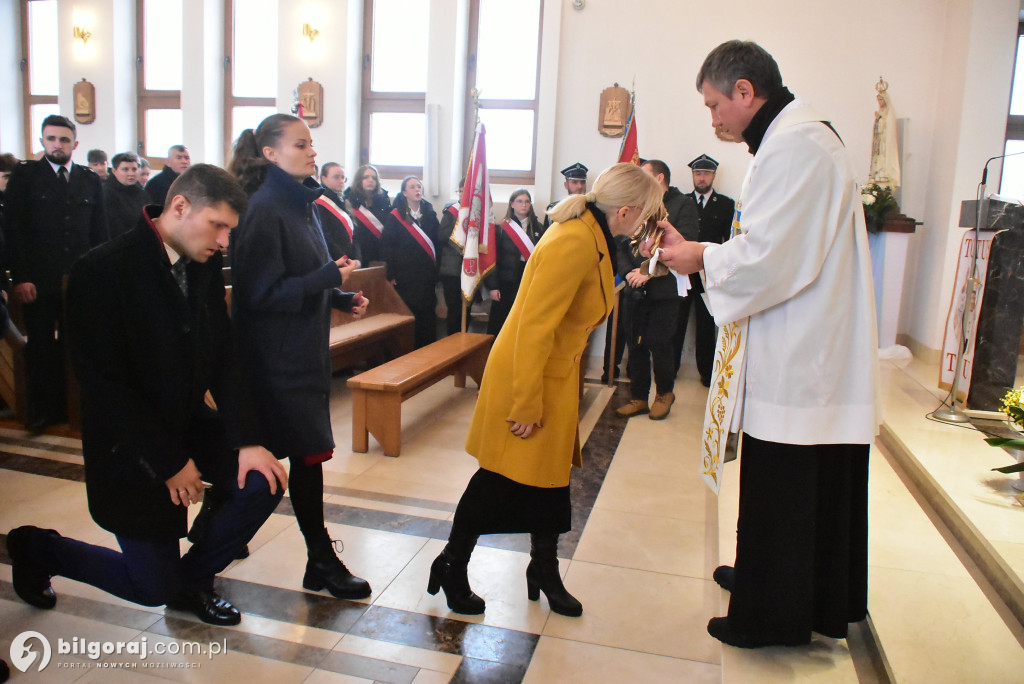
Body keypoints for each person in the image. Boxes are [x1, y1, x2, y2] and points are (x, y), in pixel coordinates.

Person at [656, 40, 879, 648]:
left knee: (785, 481)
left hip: (802, 352)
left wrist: (699, 257)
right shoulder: (790, 138)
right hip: (798, 340)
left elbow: (768, 258)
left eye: (714, 104)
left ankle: (772, 614)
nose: (713, 118)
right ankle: (766, 579)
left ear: (746, 92)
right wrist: (702, 253)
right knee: (775, 480)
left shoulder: (798, 145)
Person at [5, 164, 287, 626]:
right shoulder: (100, 271)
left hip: (188, 423)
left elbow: (222, 355)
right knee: (149, 587)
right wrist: (169, 462)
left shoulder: (203, 261)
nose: (223, 242)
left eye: (229, 231)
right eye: (218, 225)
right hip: (131, 445)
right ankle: (37, 547)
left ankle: (192, 582)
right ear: (180, 207)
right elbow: (103, 387)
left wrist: (247, 439)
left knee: (262, 479)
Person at [427, 163, 664, 617]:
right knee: (498, 478)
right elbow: (534, 328)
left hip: (551, 373)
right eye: (647, 215)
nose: (646, 224)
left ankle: (544, 568)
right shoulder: (574, 241)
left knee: (551, 480)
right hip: (528, 374)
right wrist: (526, 402)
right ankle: (451, 564)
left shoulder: (592, 235)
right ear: (627, 211)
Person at [228, 113, 372, 600]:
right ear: (269, 153)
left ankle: (306, 559)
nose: (312, 152)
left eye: (311, 143)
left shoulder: (301, 201)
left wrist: (339, 297)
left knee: (303, 461)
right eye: (300, 144)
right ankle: (319, 561)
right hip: (276, 362)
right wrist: (327, 280)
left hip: (303, 354)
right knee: (292, 462)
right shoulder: (265, 208)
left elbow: (304, 275)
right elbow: (260, 295)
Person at [3, 115, 108, 432]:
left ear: (74, 144)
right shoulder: (26, 177)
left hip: (77, 279)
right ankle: (44, 409)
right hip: (38, 279)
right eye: (51, 139)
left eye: (64, 140)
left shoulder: (88, 180)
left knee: (78, 344)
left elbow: (98, 233)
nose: (57, 145)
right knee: (41, 346)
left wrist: (97, 277)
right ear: (42, 142)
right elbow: (14, 230)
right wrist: (20, 276)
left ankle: (75, 408)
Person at [614, 161, 688, 420]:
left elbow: (685, 244)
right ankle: (638, 397)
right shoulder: (634, 204)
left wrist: (648, 271)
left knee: (660, 344)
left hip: (664, 290)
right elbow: (621, 243)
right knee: (635, 344)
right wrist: (629, 274)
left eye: (643, 176)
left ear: (659, 177)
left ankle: (664, 394)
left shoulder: (681, 204)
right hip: (634, 289)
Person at [685, 154, 735, 386]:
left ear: (713, 176)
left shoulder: (725, 204)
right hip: (684, 270)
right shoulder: (683, 202)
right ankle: (671, 369)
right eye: (697, 173)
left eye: (705, 173)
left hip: (709, 271)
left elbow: (728, 240)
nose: (701, 178)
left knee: (707, 325)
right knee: (678, 321)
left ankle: (707, 372)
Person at [383, 176, 440, 348]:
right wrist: (390, 273)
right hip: (405, 275)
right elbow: (387, 246)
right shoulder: (395, 217)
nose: (417, 190)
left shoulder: (430, 214)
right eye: (413, 187)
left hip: (426, 274)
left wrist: (436, 271)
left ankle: (428, 349)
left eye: (419, 186)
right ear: (404, 192)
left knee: (428, 312)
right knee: (409, 312)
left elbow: (437, 244)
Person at [484, 189, 545, 335]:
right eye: (519, 201)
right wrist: (493, 287)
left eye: (527, 201)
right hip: (506, 282)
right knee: (501, 321)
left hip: (528, 280)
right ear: (512, 204)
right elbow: (493, 259)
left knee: (524, 321)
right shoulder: (501, 228)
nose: (523, 205)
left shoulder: (539, 228)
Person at [343, 165, 390, 265]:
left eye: (374, 178)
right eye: (366, 177)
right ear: (359, 180)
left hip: (379, 253)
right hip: (358, 254)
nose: (370, 180)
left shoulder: (383, 200)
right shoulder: (349, 201)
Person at [437, 178, 466, 336]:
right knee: (454, 310)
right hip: (452, 270)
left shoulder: (480, 214)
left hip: (470, 269)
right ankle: (451, 346)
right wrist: (460, 227)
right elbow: (441, 236)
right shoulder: (451, 211)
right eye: (460, 191)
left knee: (466, 311)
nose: (462, 194)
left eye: (465, 190)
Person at [315, 162, 358, 260]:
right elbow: (325, 236)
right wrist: (343, 259)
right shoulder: (318, 202)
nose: (341, 181)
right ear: (324, 178)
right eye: (336, 177)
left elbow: (354, 233)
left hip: (349, 261)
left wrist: (357, 258)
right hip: (334, 260)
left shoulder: (343, 201)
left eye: (343, 178)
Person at [103, 152, 150, 238]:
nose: (131, 173)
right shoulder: (105, 194)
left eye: (134, 169)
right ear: (114, 171)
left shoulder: (143, 194)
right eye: (125, 169)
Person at [543, 161, 588, 230]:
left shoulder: (592, 208)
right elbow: (547, 238)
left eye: (583, 182)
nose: (580, 186)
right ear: (566, 185)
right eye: (575, 182)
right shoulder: (555, 209)